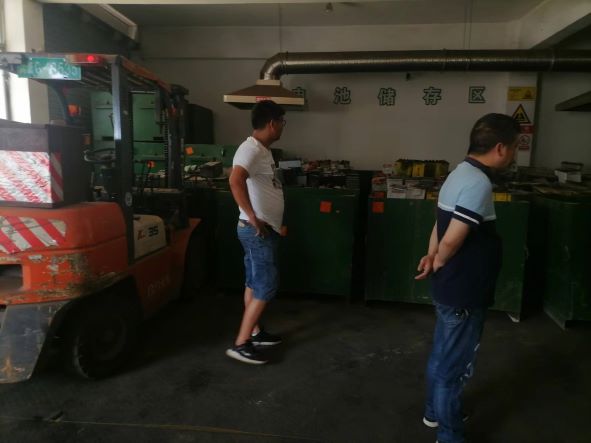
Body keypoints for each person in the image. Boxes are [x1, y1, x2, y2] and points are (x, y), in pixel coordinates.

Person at [415, 113, 520, 443]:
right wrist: (440, 257)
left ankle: (435, 412)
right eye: (515, 147)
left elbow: (439, 223)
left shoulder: (459, 173)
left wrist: (431, 257)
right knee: (453, 368)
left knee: (442, 355)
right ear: (500, 148)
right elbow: (453, 238)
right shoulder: (478, 183)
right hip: (463, 289)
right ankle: (449, 435)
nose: (515, 154)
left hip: (451, 285)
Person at [225, 100, 286, 365]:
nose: (283, 126)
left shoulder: (262, 150)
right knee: (266, 284)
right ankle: (241, 344)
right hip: (255, 231)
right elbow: (235, 180)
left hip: (262, 230)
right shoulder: (250, 149)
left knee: (253, 282)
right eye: (282, 121)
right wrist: (253, 217)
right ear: (272, 123)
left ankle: (255, 332)